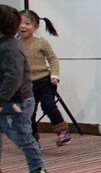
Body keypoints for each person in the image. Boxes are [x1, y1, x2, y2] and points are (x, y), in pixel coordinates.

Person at [0, 5, 48, 173]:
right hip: (7, 99)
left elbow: (13, 77)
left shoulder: (10, 48)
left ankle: (38, 169)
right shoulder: (4, 44)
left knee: (22, 136)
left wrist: (2, 99)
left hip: (16, 101)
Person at [18, 10, 70, 146]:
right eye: (20, 23)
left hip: (44, 81)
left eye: (27, 23)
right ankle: (33, 140)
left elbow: (52, 59)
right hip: (26, 85)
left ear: (36, 26)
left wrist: (55, 75)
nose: (22, 26)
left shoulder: (41, 42)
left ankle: (62, 131)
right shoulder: (15, 44)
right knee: (29, 112)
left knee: (48, 105)